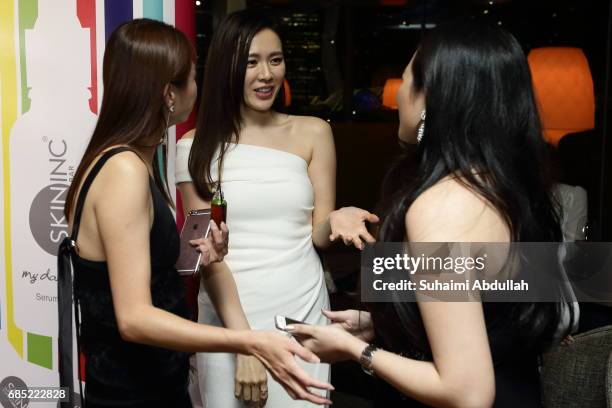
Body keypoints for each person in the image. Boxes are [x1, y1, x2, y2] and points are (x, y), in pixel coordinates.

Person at [289, 21, 569, 407]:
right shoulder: (503, 186)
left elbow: (467, 392)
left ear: (430, 98)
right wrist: (388, 327)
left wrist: (357, 352)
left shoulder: (442, 206)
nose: (397, 95)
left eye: (404, 80)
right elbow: (492, 316)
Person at [58, 18, 333, 408]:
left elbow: (155, 269)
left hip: (149, 385)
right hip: (132, 394)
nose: (197, 87)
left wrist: (207, 255)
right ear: (169, 94)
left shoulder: (128, 162)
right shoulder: (124, 170)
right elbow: (133, 317)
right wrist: (245, 340)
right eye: (191, 77)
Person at [175, 10, 378, 408]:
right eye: (251, 62)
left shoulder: (313, 131)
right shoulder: (195, 147)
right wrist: (246, 345)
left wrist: (334, 220)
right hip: (229, 320)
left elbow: (317, 231)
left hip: (300, 310)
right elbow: (205, 256)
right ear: (227, 67)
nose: (266, 74)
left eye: (275, 59)